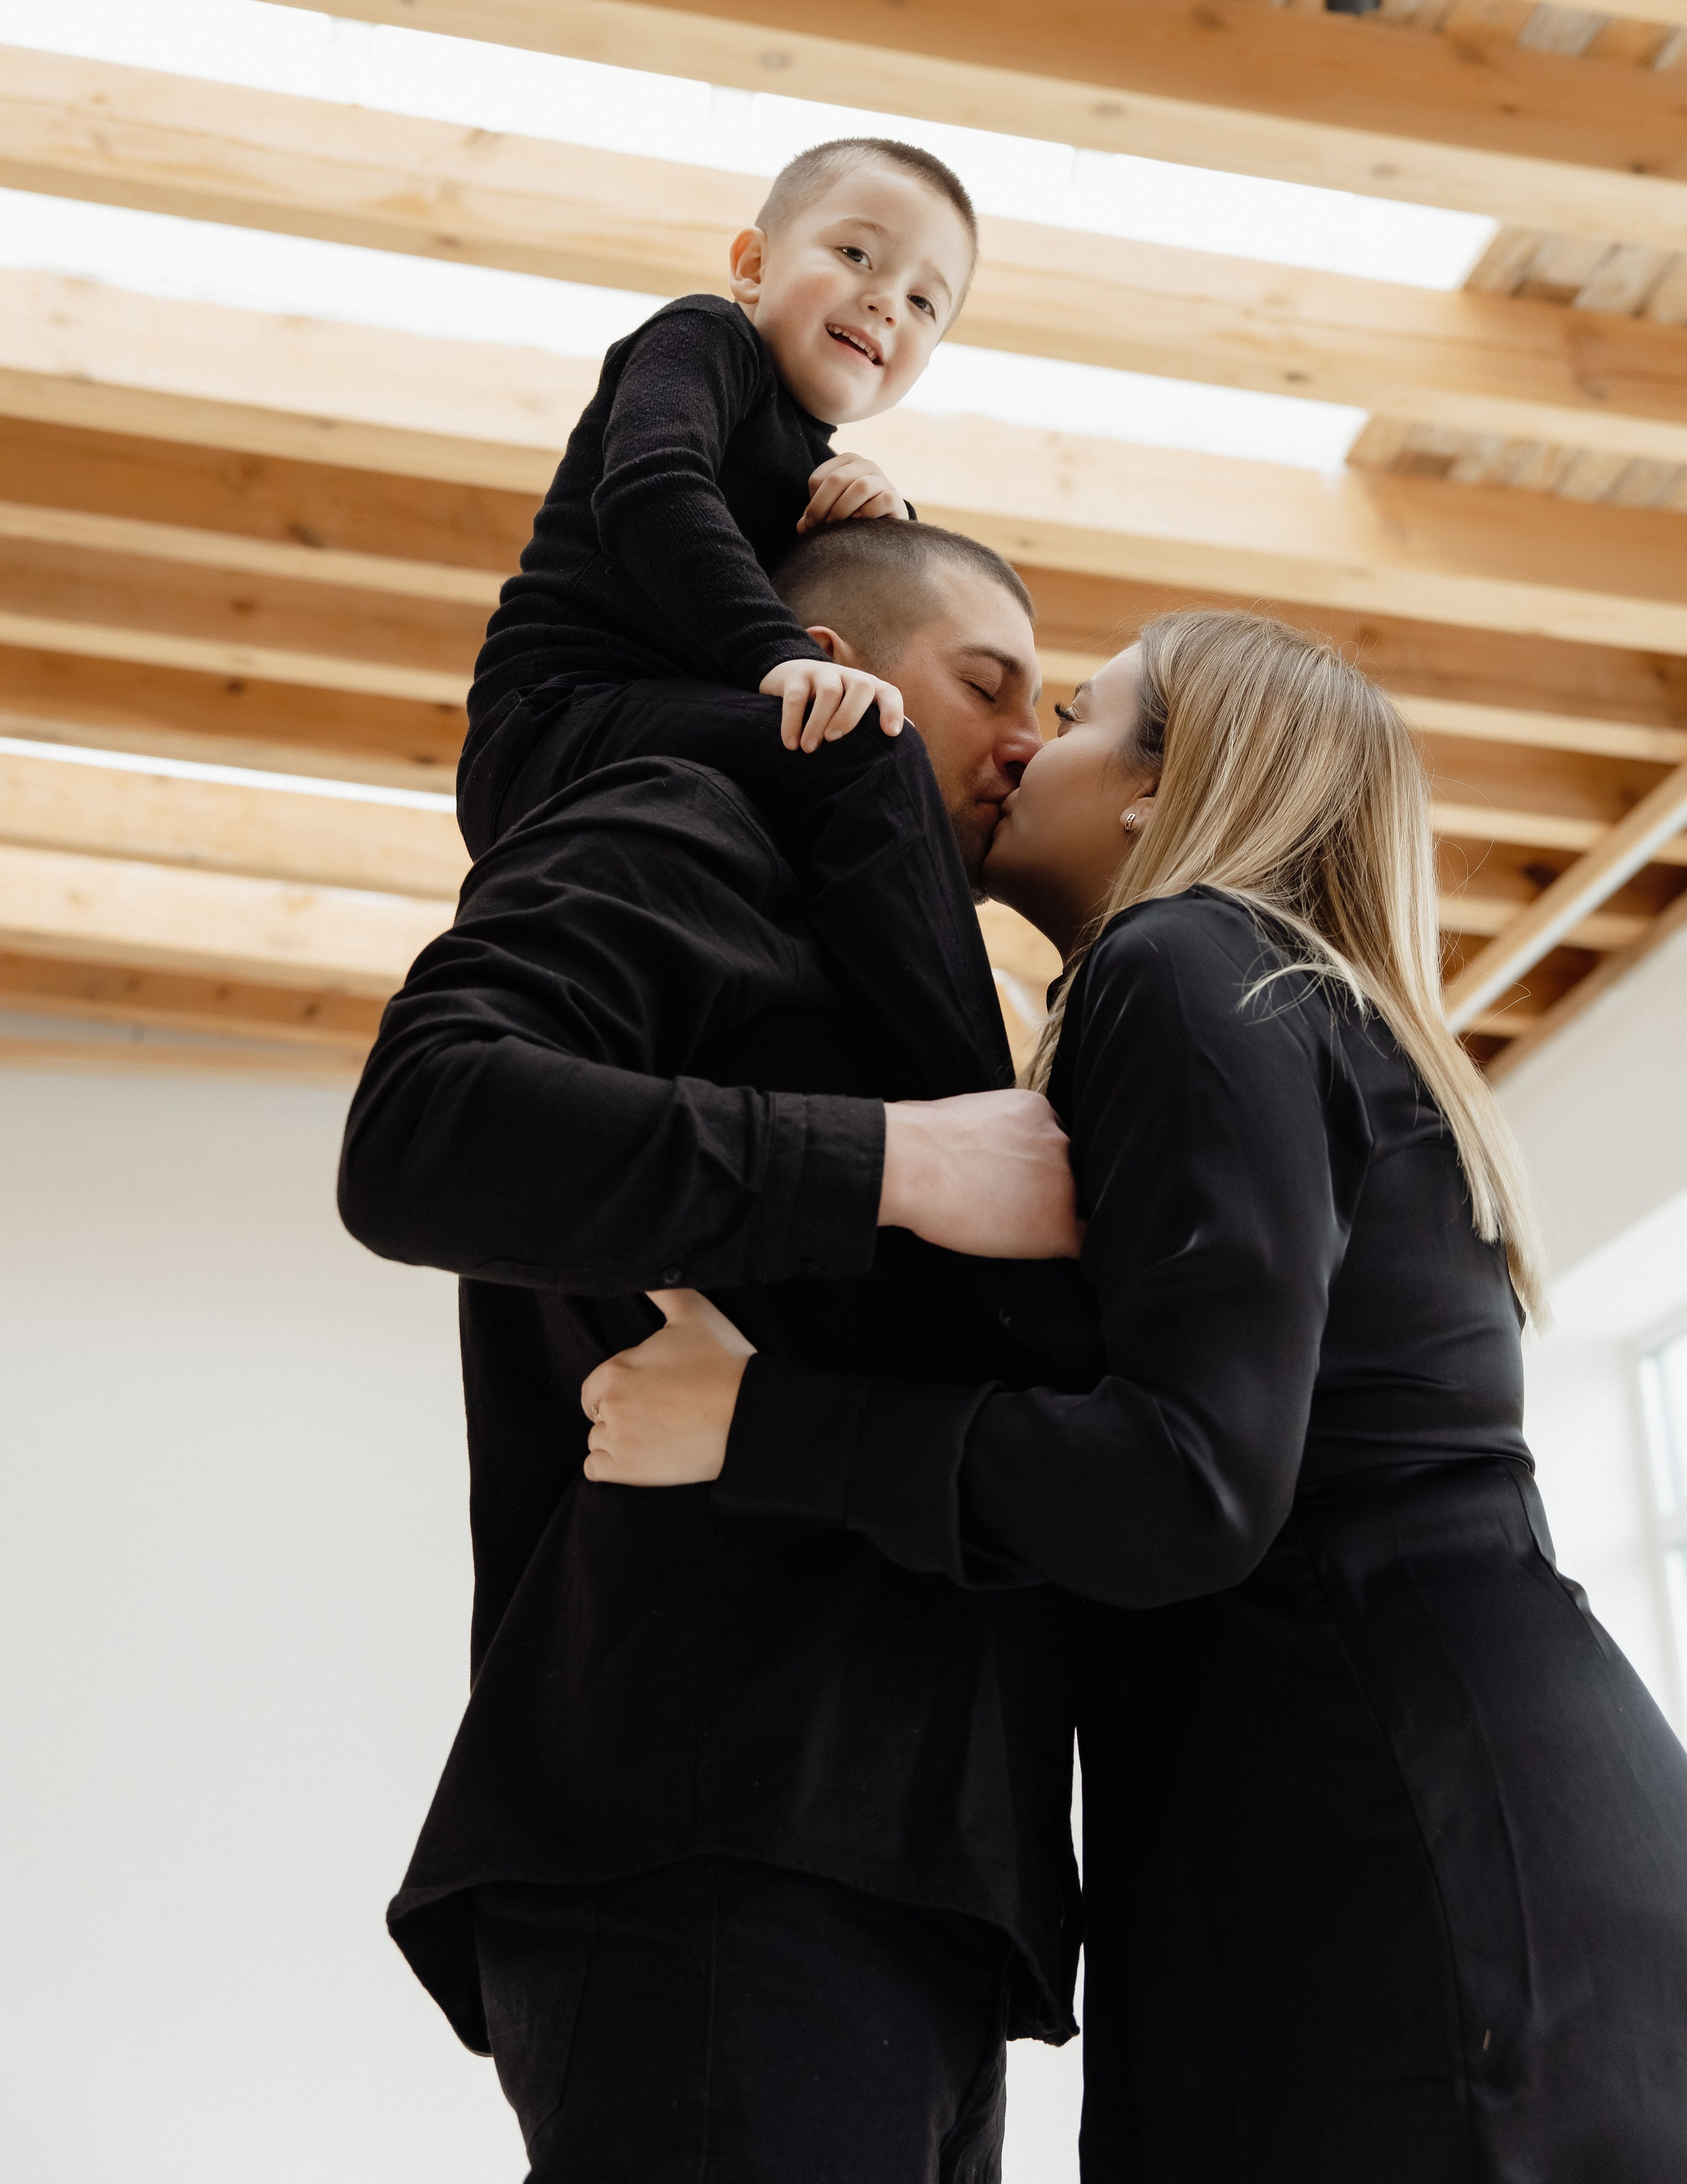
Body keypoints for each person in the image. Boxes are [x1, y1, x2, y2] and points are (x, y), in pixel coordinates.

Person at [588, 608, 1687, 2184]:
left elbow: (1188, 1483)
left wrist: (758, 1423)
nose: (1026, 739)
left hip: (1407, 1852)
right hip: (1446, 1825)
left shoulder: (1182, 965)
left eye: (1079, 713)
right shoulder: (1273, 1001)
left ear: (1156, 798)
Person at [338, 521, 1088, 2184]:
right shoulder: (687, 818)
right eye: (988, 683)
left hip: (893, 1879)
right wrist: (902, 1162)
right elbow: (418, 1132)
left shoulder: (906, 958)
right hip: (716, 1848)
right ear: (814, 656)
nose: (1029, 740)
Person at [458, 136, 1004, 1100]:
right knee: (867, 744)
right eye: (858, 256)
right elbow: (653, 491)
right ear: (753, 266)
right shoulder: (705, 341)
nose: (887, 300)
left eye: (926, 302)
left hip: (667, 734)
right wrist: (780, 656)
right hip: (559, 720)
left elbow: (870, 597)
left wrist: (889, 520)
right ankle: (980, 1102)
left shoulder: (822, 471)